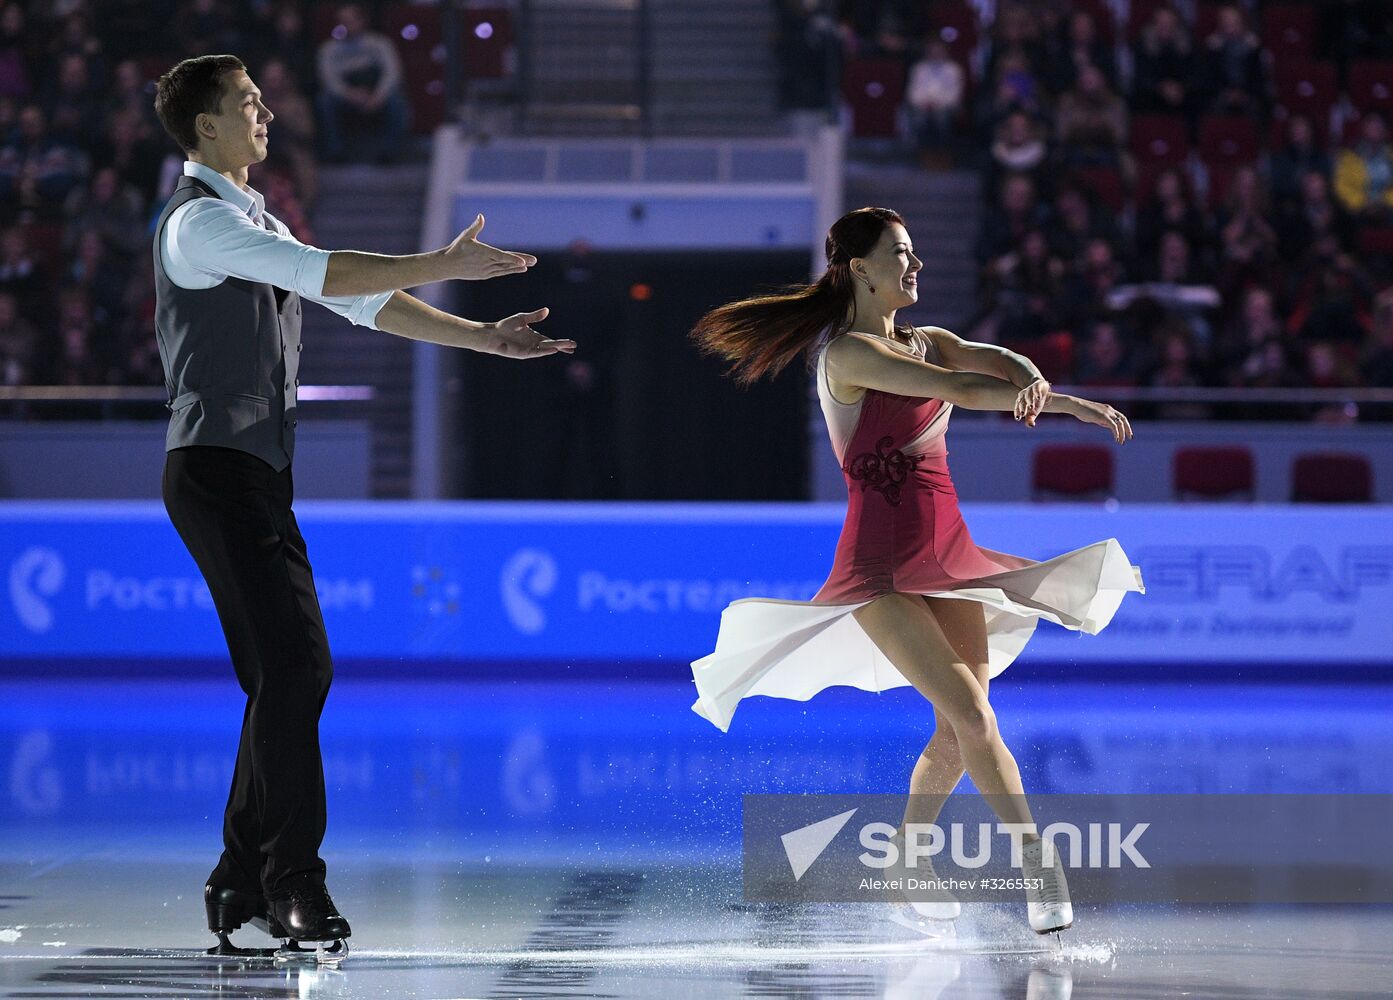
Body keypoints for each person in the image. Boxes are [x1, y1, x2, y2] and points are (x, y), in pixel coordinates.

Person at [151, 54, 573, 959]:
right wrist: (444, 260)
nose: (265, 109)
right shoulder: (198, 226)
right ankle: (292, 884)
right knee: (298, 670)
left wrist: (481, 340)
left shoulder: (250, 217)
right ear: (206, 129)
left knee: (282, 678)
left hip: (250, 471)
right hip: (216, 468)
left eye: (263, 96)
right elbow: (330, 271)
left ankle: (238, 880)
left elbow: (365, 301)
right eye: (246, 102)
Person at [688, 207, 1144, 936]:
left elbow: (992, 361)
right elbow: (962, 387)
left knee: (954, 727)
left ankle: (906, 858)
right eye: (901, 254)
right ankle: (1037, 867)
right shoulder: (847, 355)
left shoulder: (924, 339)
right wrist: (1053, 404)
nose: (916, 266)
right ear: (860, 269)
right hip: (879, 568)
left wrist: (1033, 379)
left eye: (915, 252)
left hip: (948, 554)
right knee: (970, 714)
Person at [315, 3, 409, 164]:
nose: (347, 26)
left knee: (397, 102)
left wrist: (379, 95)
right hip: (347, 96)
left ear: (362, 20)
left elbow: (393, 73)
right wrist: (350, 94)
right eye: (343, 21)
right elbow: (329, 80)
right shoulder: (329, 49)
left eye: (351, 21)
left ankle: (388, 153)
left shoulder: (380, 44)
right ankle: (336, 152)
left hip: (376, 94)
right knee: (325, 101)